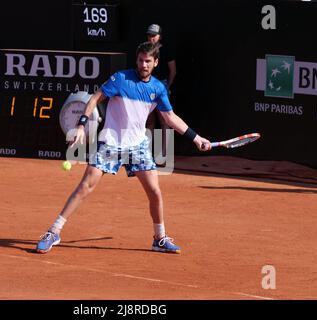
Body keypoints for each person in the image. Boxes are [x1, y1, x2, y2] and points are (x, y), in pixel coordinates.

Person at [36, 41, 211, 255]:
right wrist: (81, 124)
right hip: (111, 142)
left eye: (148, 61)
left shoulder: (158, 88)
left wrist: (196, 137)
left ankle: (159, 238)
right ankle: (54, 231)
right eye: (140, 60)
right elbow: (95, 98)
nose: (143, 64)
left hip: (137, 145)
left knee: (155, 192)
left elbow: (170, 117)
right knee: (85, 186)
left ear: (156, 63)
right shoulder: (120, 79)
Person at [145, 24, 177, 162]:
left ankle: (164, 156)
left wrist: (166, 87)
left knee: (165, 121)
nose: (151, 38)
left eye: (154, 35)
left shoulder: (167, 50)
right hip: (146, 87)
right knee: (149, 121)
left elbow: (173, 71)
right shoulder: (144, 50)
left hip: (161, 87)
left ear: (160, 37)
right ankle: (145, 155)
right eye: (149, 35)